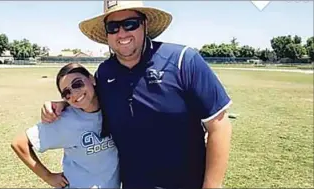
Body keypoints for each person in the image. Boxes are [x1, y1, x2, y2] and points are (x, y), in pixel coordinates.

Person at [41, 1, 233, 188]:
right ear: (107, 34)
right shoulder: (105, 72)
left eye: (130, 24)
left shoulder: (184, 60)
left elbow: (219, 126)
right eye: (113, 27)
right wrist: (64, 103)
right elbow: (90, 99)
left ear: (145, 25)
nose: (122, 33)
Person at [11, 63, 120, 188]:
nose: (74, 94)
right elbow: (19, 142)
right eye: (66, 93)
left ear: (91, 79)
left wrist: (64, 103)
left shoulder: (112, 106)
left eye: (77, 84)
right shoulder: (65, 120)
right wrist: (47, 176)